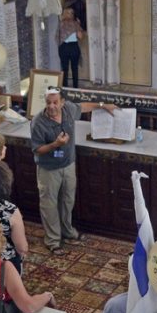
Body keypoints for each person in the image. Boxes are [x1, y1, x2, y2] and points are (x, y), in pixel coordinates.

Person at [30, 87, 116, 255]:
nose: (52, 106)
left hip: (68, 164)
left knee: (67, 200)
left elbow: (83, 107)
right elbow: (37, 149)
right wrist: (55, 145)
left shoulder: (69, 109)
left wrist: (103, 105)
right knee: (49, 205)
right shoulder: (38, 122)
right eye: (48, 103)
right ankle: (53, 240)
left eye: (55, 102)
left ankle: (67, 231)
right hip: (48, 169)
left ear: (63, 102)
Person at [57, 7, 84, 89]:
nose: (70, 15)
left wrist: (78, 25)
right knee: (73, 68)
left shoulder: (61, 24)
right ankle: (74, 88)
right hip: (70, 47)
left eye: (71, 13)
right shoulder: (73, 23)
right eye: (69, 13)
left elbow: (80, 36)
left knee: (66, 69)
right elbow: (80, 36)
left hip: (66, 47)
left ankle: (66, 88)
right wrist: (78, 25)